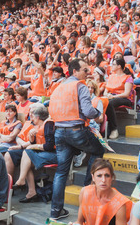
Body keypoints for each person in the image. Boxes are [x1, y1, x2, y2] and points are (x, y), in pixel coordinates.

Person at [49, 58, 104, 220]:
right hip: (75, 130)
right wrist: (98, 114)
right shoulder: (80, 85)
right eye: (85, 70)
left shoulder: (58, 87)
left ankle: (55, 212)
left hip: (59, 132)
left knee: (61, 173)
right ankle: (88, 194)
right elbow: (88, 111)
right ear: (75, 71)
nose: (88, 73)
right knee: (99, 150)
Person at [12, 105, 56, 203]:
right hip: (44, 153)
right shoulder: (39, 126)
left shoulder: (48, 124)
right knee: (25, 163)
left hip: (53, 154)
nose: (31, 117)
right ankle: (31, 191)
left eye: (33, 115)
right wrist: (32, 138)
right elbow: (34, 142)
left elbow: (49, 146)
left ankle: (22, 181)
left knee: (27, 153)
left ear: (38, 117)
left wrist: (33, 146)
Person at [68, 159, 132, 225]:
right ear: (93, 177)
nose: (103, 180)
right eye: (99, 176)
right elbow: (79, 222)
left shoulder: (120, 203)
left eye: (107, 176)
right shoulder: (85, 192)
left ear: (112, 177)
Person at [104, 58, 134, 139]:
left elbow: (126, 93)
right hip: (111, 97)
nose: (111, 66)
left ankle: (114, 129)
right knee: (100, 102)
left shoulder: (128, 77)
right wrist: (107, 95)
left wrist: (113, 96)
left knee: (110, 103)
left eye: (113, 64)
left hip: (124, 99)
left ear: (119, 66)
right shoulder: (111, 76)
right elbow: (105, 91)